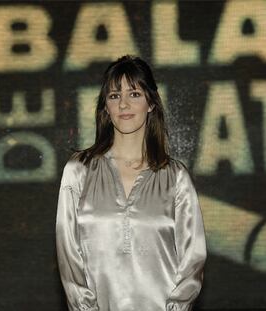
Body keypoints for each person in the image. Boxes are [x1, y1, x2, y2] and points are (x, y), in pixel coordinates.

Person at [55, 55, 206, 311]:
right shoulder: (78, 171)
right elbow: (68, 255)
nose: (123, 104)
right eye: (114, 96)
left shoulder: (176, 177)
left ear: (151, 104)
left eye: (134, 94)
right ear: (106, 107)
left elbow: (193, 261)